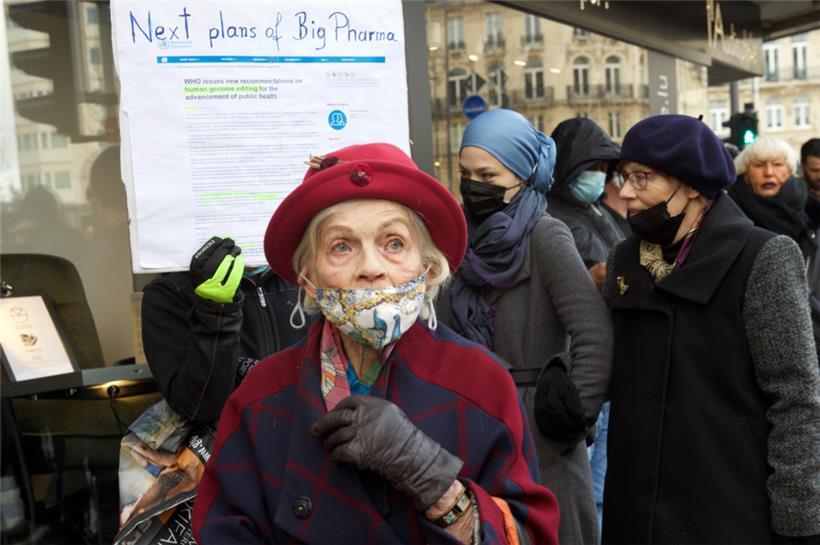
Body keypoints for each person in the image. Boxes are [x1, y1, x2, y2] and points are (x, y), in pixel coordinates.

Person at [192, 143, 560, 544]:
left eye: (394, 243)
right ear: (307, 277)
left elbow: (529, 536)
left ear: (428, 266)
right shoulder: (262, 394)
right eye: (342, 247)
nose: (371, 268)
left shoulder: (480, 382)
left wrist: (437, 485)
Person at [602, 115, 820, 544]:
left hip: (727, 509)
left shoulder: (763, 256)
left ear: (693, 185)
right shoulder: (624, 259)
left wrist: (799, 522)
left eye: (642, 178)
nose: (625, 192)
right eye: (623, 176)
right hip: (635, 510)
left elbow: (796, 397)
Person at [436, 108, 613, 545]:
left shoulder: (545, 235)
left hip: (538, 440)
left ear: (522, 175)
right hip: (468, 431)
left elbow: (595, 333)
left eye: (489, 175)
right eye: (466, 172)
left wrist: (568, 419)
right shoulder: (453, 237)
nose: (475, 185)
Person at [549, 117, 626, 533]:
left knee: (602, 484)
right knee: (592, 489)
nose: (599, 177)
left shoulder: (593, 210)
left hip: (605, 364)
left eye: (604, 169)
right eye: (590, 168)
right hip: (583, 366)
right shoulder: (552, 217)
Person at [142, 237, 306, 424]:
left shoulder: (307, 281)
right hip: (230, 447)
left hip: (305, 442)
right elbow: (198, 407)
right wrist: (214, 310)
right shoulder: (170, 293)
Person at [728, 135, 820, 357]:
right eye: (759, 165)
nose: (769, 172)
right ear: (745, 173)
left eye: (777, 165)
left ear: (789, 172)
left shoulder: (812, 218)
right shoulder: (730, 220)